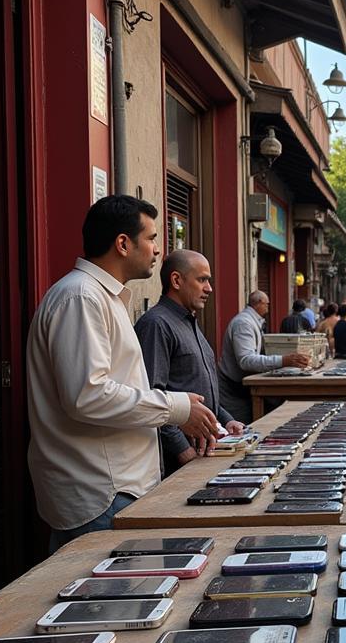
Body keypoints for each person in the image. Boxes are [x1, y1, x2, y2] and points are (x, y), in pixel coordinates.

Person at [26, 196, 219, 552]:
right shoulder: (81, 298)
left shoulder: (99, 297)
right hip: (102, 492)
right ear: (123, 243)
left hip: (114, 488)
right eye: (151, 238)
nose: (157, 250)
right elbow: (87, 395)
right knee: (115, 603)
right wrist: (176, 408)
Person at [135, 249, 244, 475]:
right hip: (178, 463)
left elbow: (198, 388)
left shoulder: (189, 321)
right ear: (176, 280)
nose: (209, 288)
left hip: (206, 452)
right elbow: (151, 397)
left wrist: (226, 420)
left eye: (209, 281)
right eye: (202, 279)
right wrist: (182, 450)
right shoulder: (157, 324)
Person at [218, 291, 309, 423]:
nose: (268, 307)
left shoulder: (252, 321)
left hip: (241, 387)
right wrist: (283, 360)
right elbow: (246, 360)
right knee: (243, 425)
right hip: (232, 389)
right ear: (258, 303)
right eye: (267, 304)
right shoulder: (244, 323)